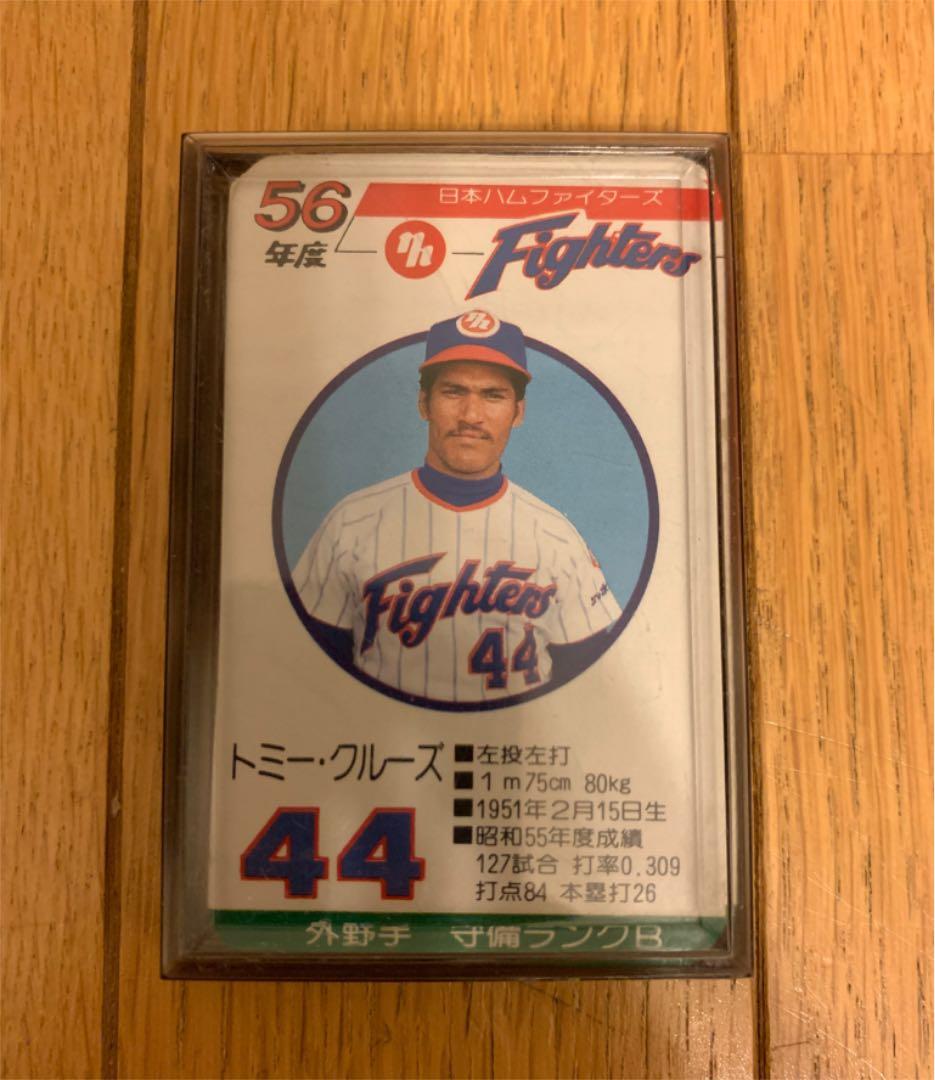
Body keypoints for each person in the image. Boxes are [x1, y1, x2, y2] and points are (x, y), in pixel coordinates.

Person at [291, 309, 621, 706]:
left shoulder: (556, 537)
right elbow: (308, 671)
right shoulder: (351, 522)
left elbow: (590, 684)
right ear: (424, 403)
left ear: (518, 413)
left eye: (493, 395)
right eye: (453, 392)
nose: (471, 416)